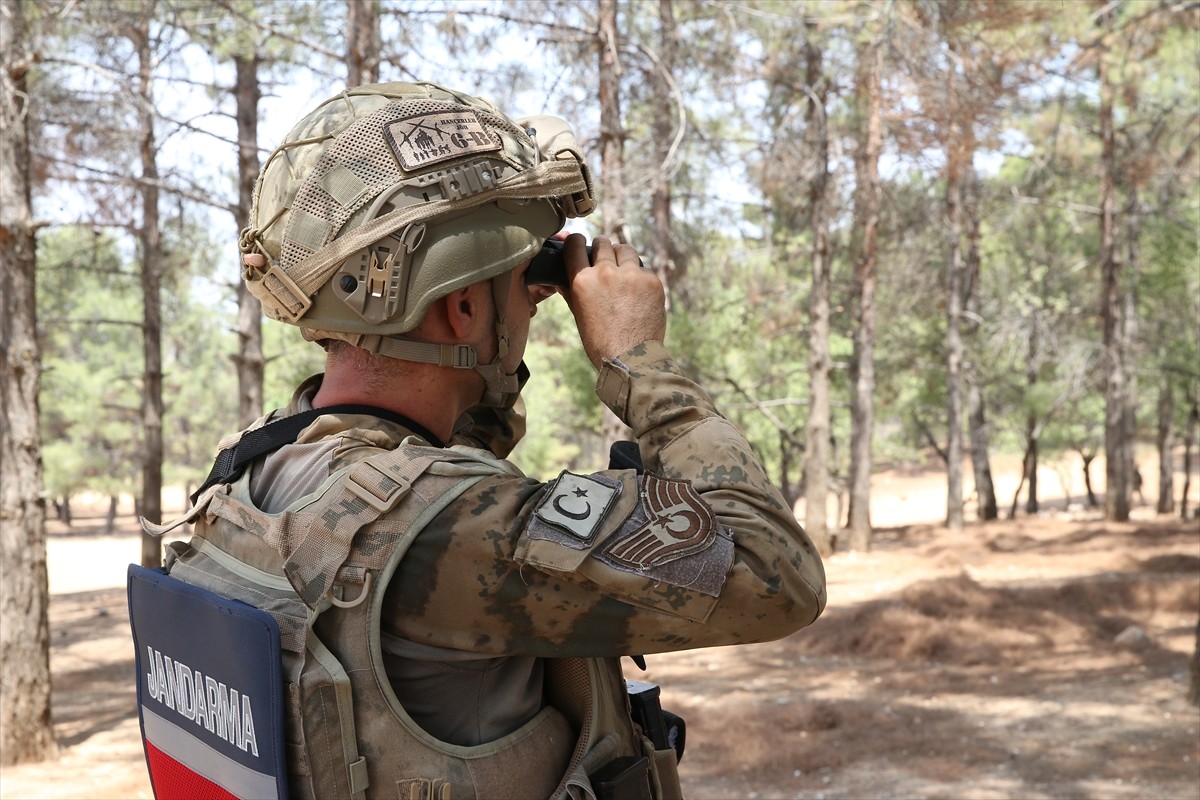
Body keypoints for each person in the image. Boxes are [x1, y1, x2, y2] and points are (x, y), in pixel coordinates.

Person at [153, 81, 826, 800]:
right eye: (523, 288)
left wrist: (486, 341)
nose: (538, 304)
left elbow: (443, 450)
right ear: (463, 305)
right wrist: (639, 366)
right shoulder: (447, 530)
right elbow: (775, 577)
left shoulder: (254, 471)